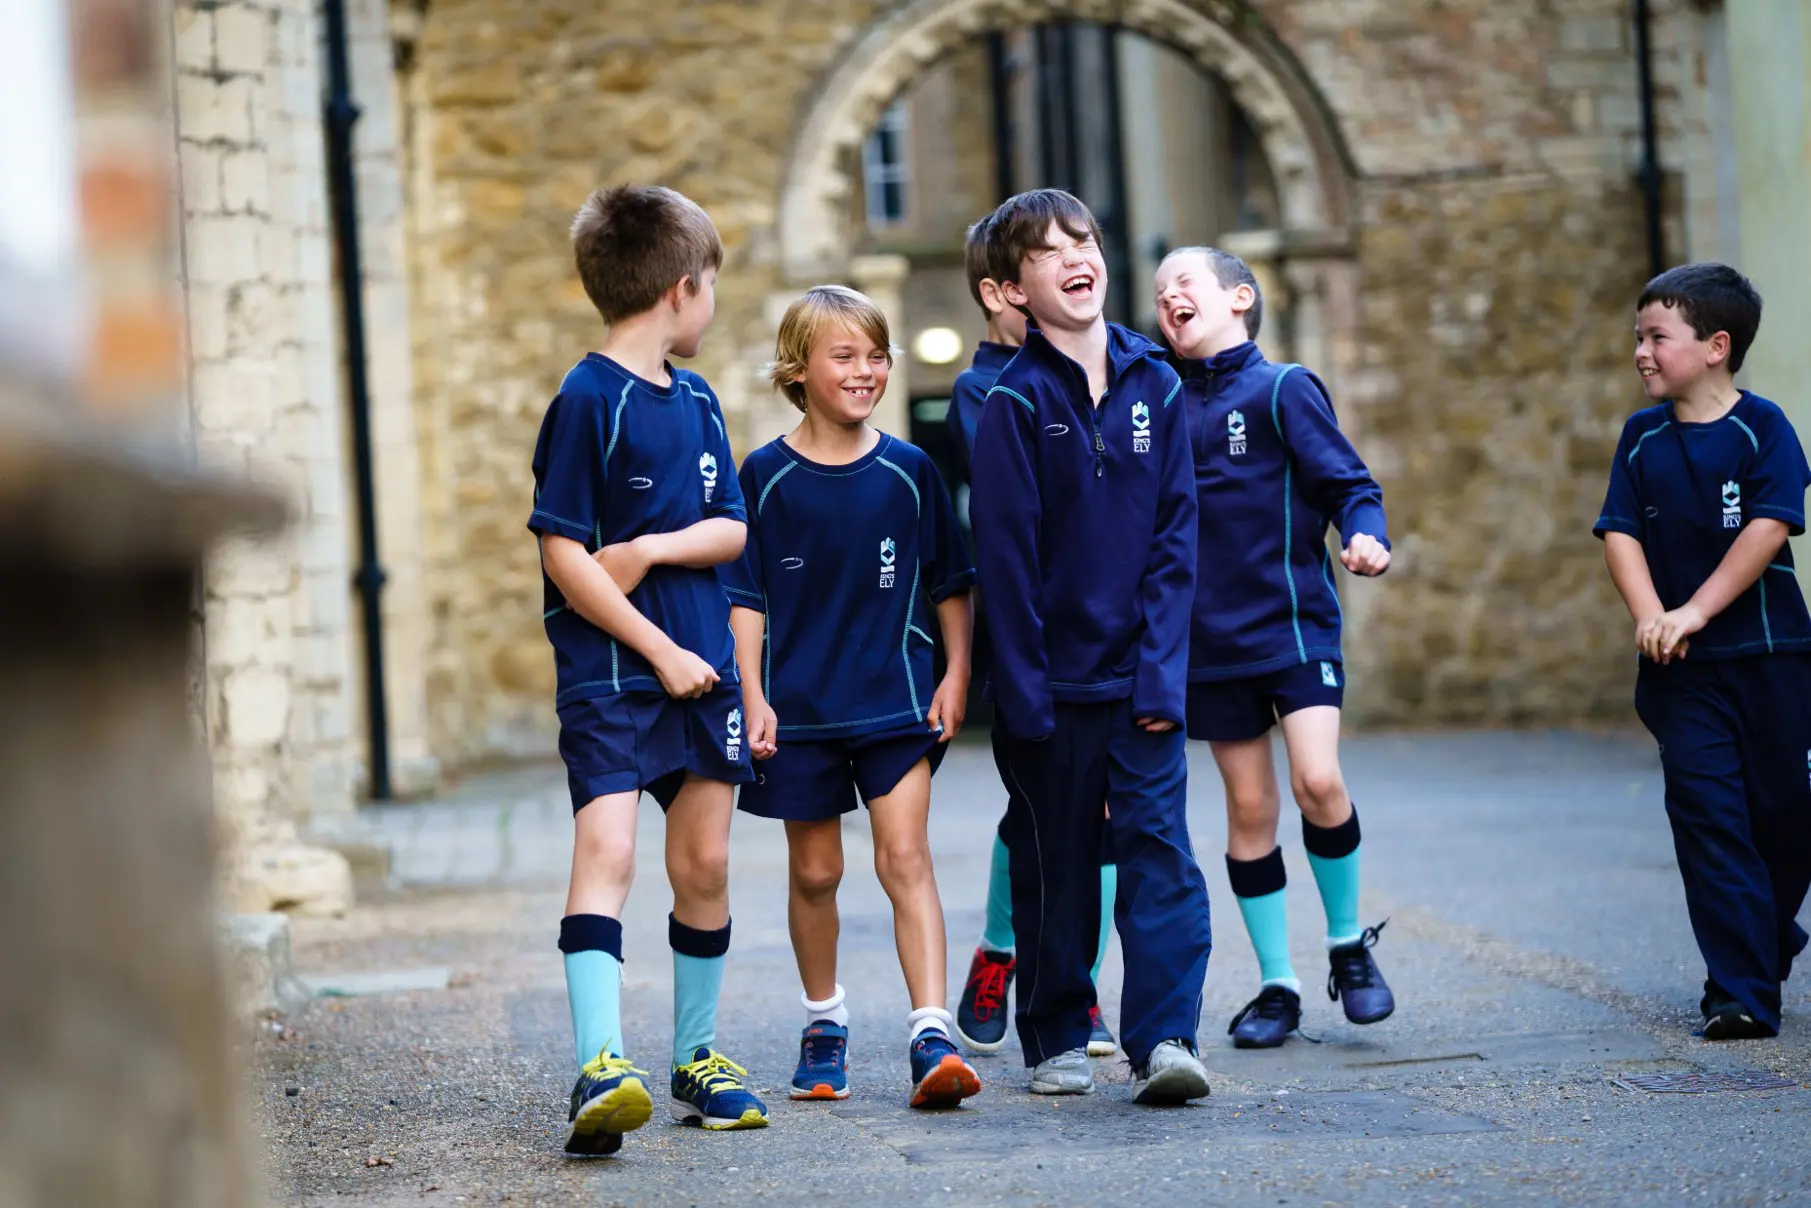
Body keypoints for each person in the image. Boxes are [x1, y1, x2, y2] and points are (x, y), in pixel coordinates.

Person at [527, 185, 767, 1157]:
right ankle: (600, 1062)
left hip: (702, 673)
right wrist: (655, 646)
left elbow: (732, 527)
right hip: (614, 680)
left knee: (703, 863)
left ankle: (695, 1055)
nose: (711, 304)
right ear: (680, 290)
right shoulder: (586, 399)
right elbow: (561, 552)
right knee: (612, 854)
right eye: (710, 285)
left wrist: (656, 549)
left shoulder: (700, 398)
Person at [969, 188, 1212, 1105]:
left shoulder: (1155, 380)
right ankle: (1057, 1032)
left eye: (1085, 240)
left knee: (1159, 854)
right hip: (1049, 691)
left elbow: (1175, 540)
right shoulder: (1012, 403)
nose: (1077, 256)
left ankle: (1166, 1037)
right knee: (1056, 864)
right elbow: (1006, 561)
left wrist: (1160, 672)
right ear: (1016, 288)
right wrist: (1024, 697)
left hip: (1141, 681)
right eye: (1049, 249)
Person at [725, 285, 983, 1107]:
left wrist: (955, 674)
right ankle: (824, 1021)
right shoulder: (763, 477)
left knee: (904, 857)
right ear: (798, 369)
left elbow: (951, 584)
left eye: (877, 356)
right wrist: (752, 697)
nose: (867, 371)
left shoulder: (910, 472)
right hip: (798, 710)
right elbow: (746, 599)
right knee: (815, 872)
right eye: (846, 357)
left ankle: (931, 1032)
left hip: (896, 701)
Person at [1153, 245, 1396, 1051]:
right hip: (1207, 644)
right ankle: (1277, 984)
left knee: (1318, 781)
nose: (1168, 298)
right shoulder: (1152, 401)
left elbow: (1349, 485)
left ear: (1240, 298)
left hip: (1292, 628)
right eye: (1158, 293)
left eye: (1183, 283)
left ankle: (1347, 946)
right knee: (1249, 810)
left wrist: (1365, 536)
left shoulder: (1283, 388)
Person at [1595, 262, 1811, 1040]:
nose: (1641, 353)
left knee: (1787, 819)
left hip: (1771, 657)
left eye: (1657, 338)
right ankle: (1739, 991)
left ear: (1716, 346)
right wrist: (1654, 616)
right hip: (1681, 677)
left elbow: (1768, 527)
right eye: (1637, 337)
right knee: (1708, 819)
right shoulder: (1640, 437)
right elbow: (1619, 531)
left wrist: (1693, 609)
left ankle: (1761, 936)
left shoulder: (1765, 429)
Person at [946, 217, 1120, 1060]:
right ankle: (999, 947)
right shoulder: (989, 389)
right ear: (1001, 291)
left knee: (1107, 812)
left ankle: (1078, 990)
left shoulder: (1111, 369)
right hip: (1030, 631)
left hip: (1106, 631)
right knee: (1037, 812)